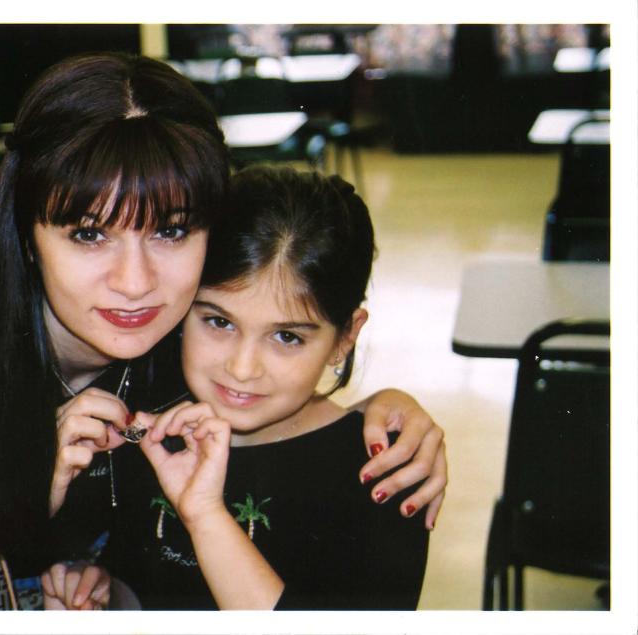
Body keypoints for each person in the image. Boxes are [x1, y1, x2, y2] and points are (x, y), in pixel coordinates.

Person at [0, 52, 446, 611]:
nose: (136, 283)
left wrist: (381, 410)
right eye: (89, 234)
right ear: (27, 233)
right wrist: (7, 510)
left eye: (170, 231)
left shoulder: (180, 344)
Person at [106, 165, 430, 609]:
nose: (241, 369)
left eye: (287, 337)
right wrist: (88, 585)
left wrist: (205, 517)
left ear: (345, 338)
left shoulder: (387, 471)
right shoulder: (145, 417)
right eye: (218, 321)